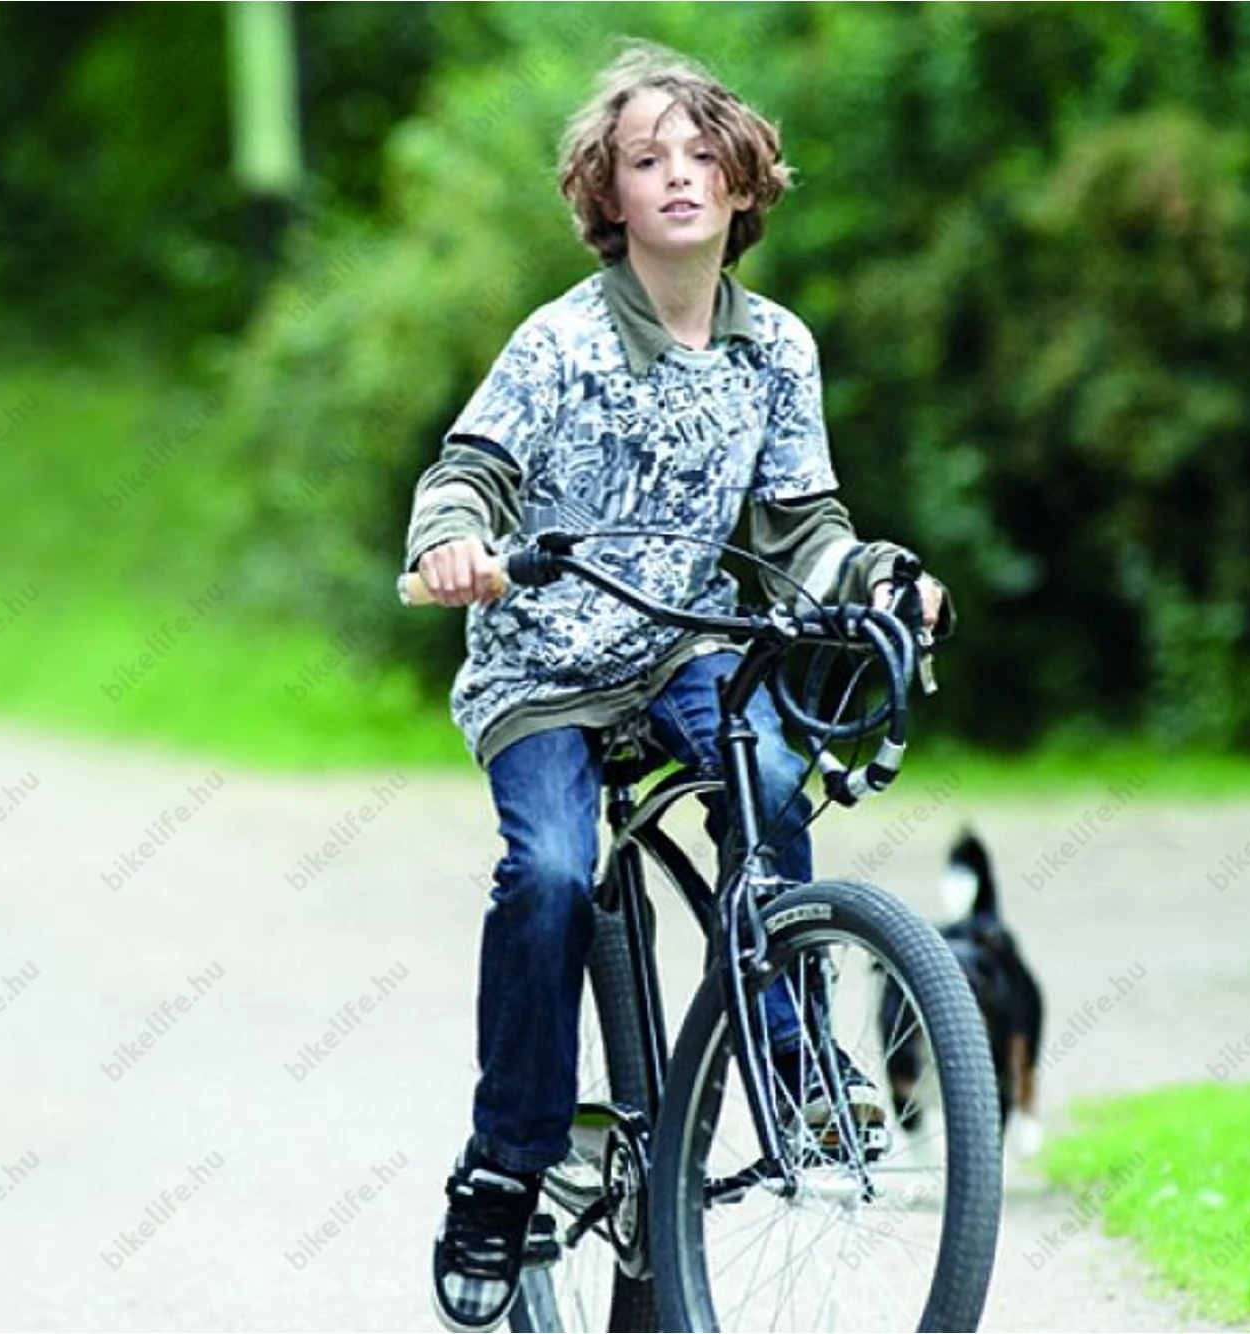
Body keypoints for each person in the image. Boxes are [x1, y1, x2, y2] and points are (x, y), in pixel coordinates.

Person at [404, 43, 950, 1332]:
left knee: (770, 775)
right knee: (551, 872)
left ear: (744, 182)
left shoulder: (779, 351)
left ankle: (796, 1067)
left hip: (682, 645)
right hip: (543, 668)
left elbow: (801, 527)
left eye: (704, 155)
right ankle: (507, 1167)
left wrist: (878, 578)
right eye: (647, 160)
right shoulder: (562, 340)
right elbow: (469, 470)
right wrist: (456, 543)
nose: (680, 175)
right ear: (609, 196)